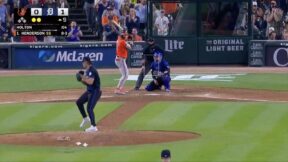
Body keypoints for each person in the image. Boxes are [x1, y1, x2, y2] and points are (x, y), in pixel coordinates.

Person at [76, 57, 102, 132]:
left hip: (96, 92)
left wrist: (82, 78)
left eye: (83, 62)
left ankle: (93, 126)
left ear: (87, 62)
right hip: (90, 91)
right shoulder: (87, 71)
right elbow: (87, 83)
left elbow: (90, 82)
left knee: (89, 108)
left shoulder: (92, 70)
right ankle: (85, 119)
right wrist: (82, 79)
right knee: (79, 102)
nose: (82, 63)